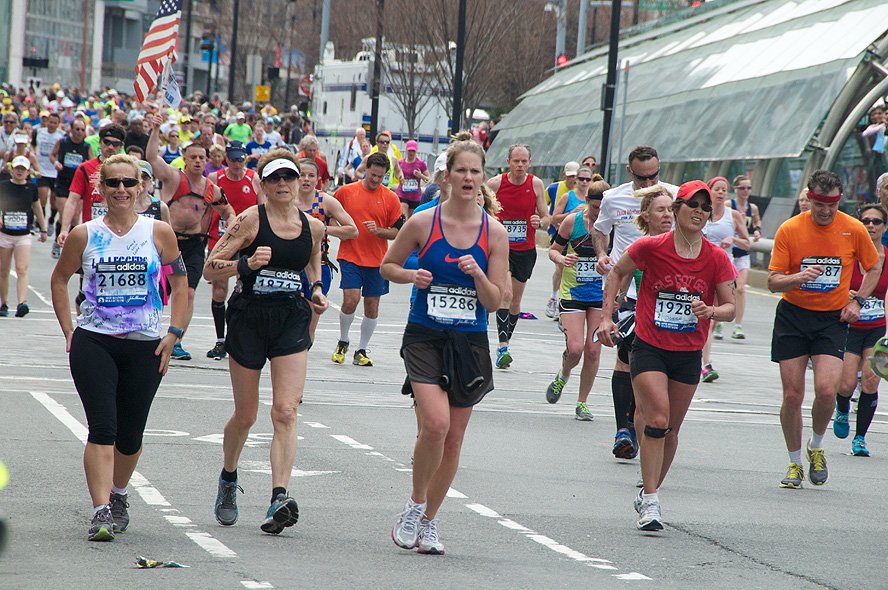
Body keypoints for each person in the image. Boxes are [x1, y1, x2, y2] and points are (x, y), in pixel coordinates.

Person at [49, 154, 188, 541]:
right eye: (113, 183)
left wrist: (174, 333)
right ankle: (100, 510)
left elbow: (180, 284)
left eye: (129, 182)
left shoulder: (158, 232)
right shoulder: (85, 234)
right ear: (101, 188)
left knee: (130, 436)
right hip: (95, 342)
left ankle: (119, 493)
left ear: (141, 186)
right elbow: (59, 280)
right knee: (102, 428)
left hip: (145, 346)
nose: (122, 189)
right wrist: (69, 330)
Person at [381, 139, 508, 555]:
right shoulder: (423, 221)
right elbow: (388, 265)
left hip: (469, 341)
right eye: (461, 171)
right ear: (447, 176)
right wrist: (410, 276)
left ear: (483, 177)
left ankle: (430, 521)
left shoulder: (494, 233)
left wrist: (478, 276)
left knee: (453, 438)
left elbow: (496, 301)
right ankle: (415, 504)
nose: (468, 178)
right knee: (435, 425)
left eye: (475, 171)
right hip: (425, 334)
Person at [597, 180, 737, 531]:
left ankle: (649, 491)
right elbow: (617, 272)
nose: (699, 212)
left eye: (705, 208)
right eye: (693, 205)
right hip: (650, 346)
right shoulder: (650, 247)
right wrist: (606, 317)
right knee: (657, 418)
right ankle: (652, 501)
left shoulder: (716, 258)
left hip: (687, 352)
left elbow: (731, 307)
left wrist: (711, 311)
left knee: (671, 430)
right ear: (677, 210)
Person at [204, 150, 328, 534]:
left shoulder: (314, 226)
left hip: (291, 318)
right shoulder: (249, 221)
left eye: (289, 177)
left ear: (300, 181)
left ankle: (279, 497)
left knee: (286, 411)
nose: (283, 184)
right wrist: (246, 265)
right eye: (275, 178)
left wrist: (317, 289)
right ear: (263, 184)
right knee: (246, 415)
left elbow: (312, 261)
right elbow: (210, 269)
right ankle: (228, 477)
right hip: (249, 318)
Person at [768, 170, 880, 489]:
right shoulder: (790, 229)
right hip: (793, 316)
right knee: (792, 395)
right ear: (810, 198)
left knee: (828, 390)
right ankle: (794, 463)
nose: (826, 211)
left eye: (832, 204)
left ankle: (816, 446)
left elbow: (873, 266)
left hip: (831, 319)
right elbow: (773, 281)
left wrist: (858, 301)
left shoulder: (852, 228)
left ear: (839, 201)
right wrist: (798, 278)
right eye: (820, 204)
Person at [592, 146, 678, 459]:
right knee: (628, 359)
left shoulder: (675, 197)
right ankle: (624, 429)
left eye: (653, 176)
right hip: (627, 291)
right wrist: (602, 255)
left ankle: (646, 423)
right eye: (642, 178)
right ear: (630, 172)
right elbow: (600, 230)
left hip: (668, 295)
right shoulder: (613, 198)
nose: (648, 183)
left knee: (657, 368)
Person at [146, 113, 237, 361]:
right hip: (168, 242)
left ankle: (176, 340)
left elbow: (227, 211)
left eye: (201, 158)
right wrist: (156, 130)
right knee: (157, 291)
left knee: (188, 293)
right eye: (193, 157)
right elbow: (152, 158)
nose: (197, 161)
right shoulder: (174, 177)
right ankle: (148, 333)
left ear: (207, 161)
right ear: (184, 158)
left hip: (195, 245)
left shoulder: (210, 188)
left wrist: (231, 225)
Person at [331, 151, 405, 366]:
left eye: (380, 177)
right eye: (372, 175)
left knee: (372, 306)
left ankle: (361, 350)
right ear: (366, 170)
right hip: (350, 255)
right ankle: (343, 340)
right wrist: (339, 231)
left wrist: (379, 231)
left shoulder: (391, 198)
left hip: (377, 260)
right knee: (351, 298)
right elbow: (328, 214)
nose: (375, 180)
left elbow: (398, 232)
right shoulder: (346, 192)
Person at [545, 172, 608, 420]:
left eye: (603, 208)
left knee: (593, 351)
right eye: (595, 207)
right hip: (573, 292)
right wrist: (562, 259)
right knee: (575, 349)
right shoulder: (573, 222)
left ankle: (582, 402)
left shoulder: (613, 225)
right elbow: (553, 250)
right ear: (587, 202)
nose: (599, 212)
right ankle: (563, 375)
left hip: (600, 295)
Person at [486, 144, 549, 368]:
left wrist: (540, 221)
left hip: (525, 250)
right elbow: (480, 207)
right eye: (516, 161)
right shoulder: (495, 184)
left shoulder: (536, 184)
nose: (520, 165)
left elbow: (547, 217)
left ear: (529, 163)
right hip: (501, 248)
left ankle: (505, 344)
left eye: (524, 161)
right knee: (505, 294)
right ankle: (503, 347)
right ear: (508, 162)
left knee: (515, 301)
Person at [833, 204, 888, 457]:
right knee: (845, 385)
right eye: (866, 221)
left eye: (877, 222)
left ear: (884, 227)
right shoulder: (849, 254)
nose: (871, 226)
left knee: (871, 380)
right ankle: (842, 408)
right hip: (849, 327)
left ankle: (860, 438)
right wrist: (846, 295)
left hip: (876, 328)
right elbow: (833, 285)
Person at [204, 141, 264, 360]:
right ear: (226, 159)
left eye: (241, 159)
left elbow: (262, 210)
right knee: (219, 290)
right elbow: (207, 208)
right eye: (233, 159)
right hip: (220, 239)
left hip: (247, 242)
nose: (237, 163)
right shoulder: (215, 178)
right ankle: (220, 340)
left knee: (244, 289)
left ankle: (240, 338)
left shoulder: (253, 179)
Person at [295, 158, 358, 339]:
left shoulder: (326, 201)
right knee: (291, 320)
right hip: (290, 266)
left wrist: (323, 228)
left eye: (311, 176)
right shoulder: (286, 199)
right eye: (302, 175)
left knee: (309, 324)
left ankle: (302, 354)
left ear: (318, 179)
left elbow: (352, 230)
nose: (306, 179)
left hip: (318, 266)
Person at [700, 177, 750, 382]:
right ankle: (705, 364)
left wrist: (733, 239)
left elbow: (747, 243)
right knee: (705, 319)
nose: (720, 193)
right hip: (702, 269)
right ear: (709, 191)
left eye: (724, 190)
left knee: (712, 320)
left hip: (724, 271)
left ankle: (703, 361)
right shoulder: (701, 211)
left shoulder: (733, 215)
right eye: (717, 189)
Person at [0, 156, 47, 317]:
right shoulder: (3, 186)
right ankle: (4, 303)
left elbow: (37, 207)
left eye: (23, 169)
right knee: (3, 270)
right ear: (12, 170)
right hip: (5, 234)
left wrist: (43, 229)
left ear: (28, 172)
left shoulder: (31, 188)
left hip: (23, 235)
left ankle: (21, 303)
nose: (19, 172)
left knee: (22, 268)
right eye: (17, 168)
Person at [49, 117, 93, 255]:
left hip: (79, 184)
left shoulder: (86, 146)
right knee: (64, 215)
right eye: (77, 129)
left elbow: (91, 163)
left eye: (82, 129)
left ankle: (70, 245)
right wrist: (56, 163)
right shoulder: (63, 142)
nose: (79, 132)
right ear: (71, 129)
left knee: (75, 217)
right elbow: (52, 155)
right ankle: (57, 243)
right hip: (63, 182)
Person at [725, 175, 761, 340]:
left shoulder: (752, 208)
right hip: (729, 252)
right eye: (742, 188)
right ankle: (719, 322)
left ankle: (738, 325)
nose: (746, 191)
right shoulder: (729, 205)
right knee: (726, 289)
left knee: (740, 288)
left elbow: (756, 222)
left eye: (748, 188)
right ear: (736, 189)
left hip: (742, 252)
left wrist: (757, 231)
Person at [544, 161, 579, 320]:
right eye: (570, 176)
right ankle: (555, 298)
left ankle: (565, 301)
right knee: (561, 268)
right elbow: (543, 208)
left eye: (576, 176)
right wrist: (545, 220)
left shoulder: (587, 193)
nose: (573, 179)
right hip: (558, 234)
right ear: (564, 174)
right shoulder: (554, 189)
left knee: (572, 271)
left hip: (578, 237)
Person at [33, 112, 65, 232]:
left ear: (58, 124)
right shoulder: (39, 132)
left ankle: (51, 220)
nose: (52, 125)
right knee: (43, 196)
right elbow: (33, 145)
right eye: (50, 122)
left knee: (54, 201)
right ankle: (40, 222)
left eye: (54, 123)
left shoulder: (61, 136)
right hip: (42, 170)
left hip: (55, 172)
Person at [396, 140, 429, 217]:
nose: (411, 153)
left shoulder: (421, 163)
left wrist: (420, 175)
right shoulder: (400, 162)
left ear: (416, 151)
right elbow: (396, 174)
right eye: (409, 150)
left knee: (411, 218)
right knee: (403, 217)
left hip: (415, 196)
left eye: (413, 151)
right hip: (402, 193)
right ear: (406, 150)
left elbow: (428, 179)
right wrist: (400, 178)